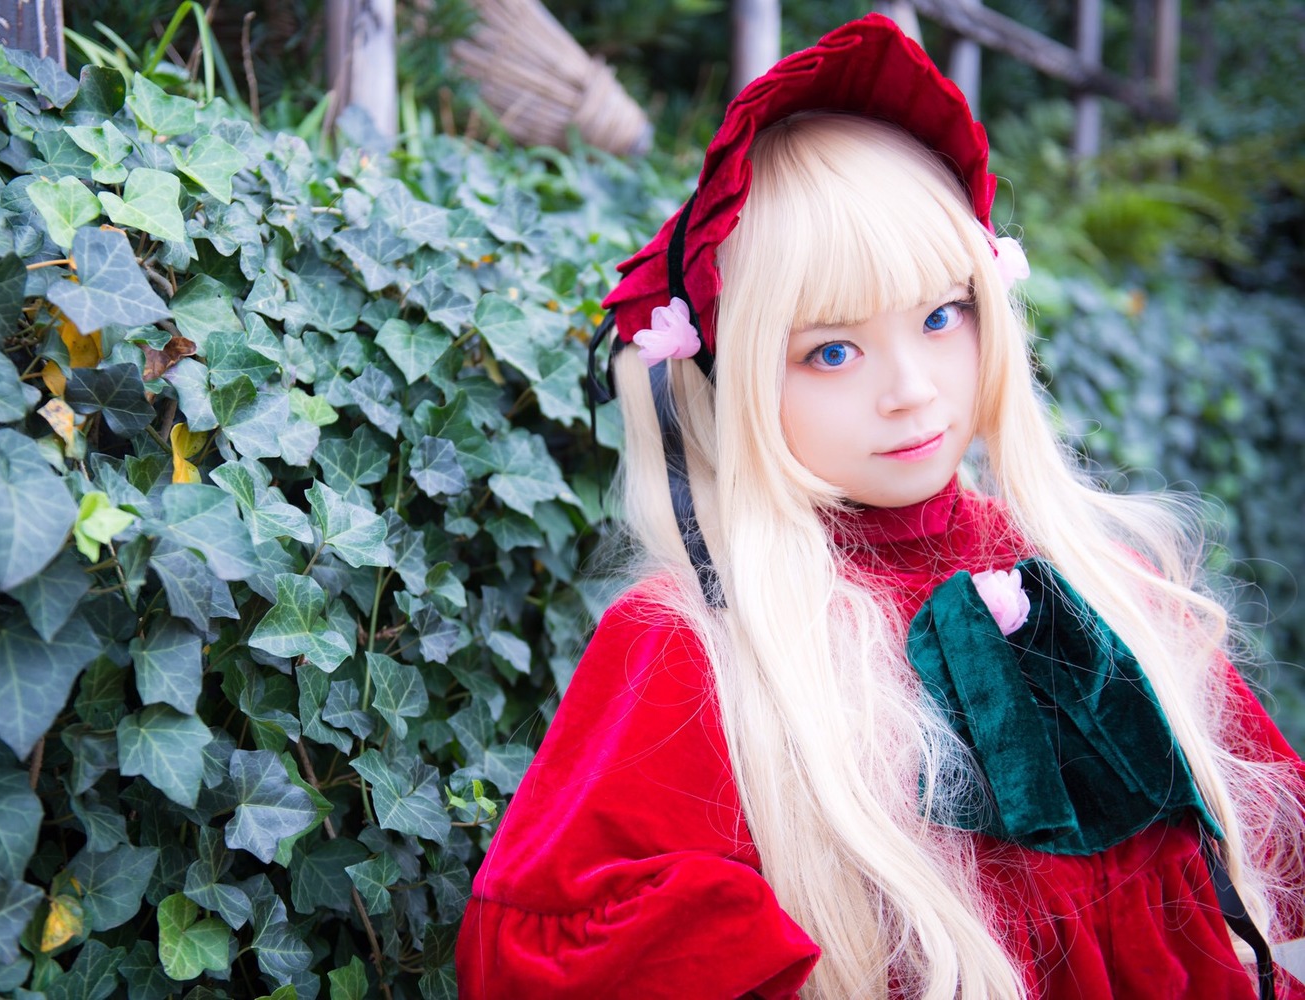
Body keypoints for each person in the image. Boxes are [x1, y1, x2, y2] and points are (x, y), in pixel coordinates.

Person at [455, 14, 1305, 999]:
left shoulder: (1091, 579)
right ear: (729, 376)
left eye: (944, 315)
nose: (911, 388)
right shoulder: (697, 651)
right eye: (831, 350)